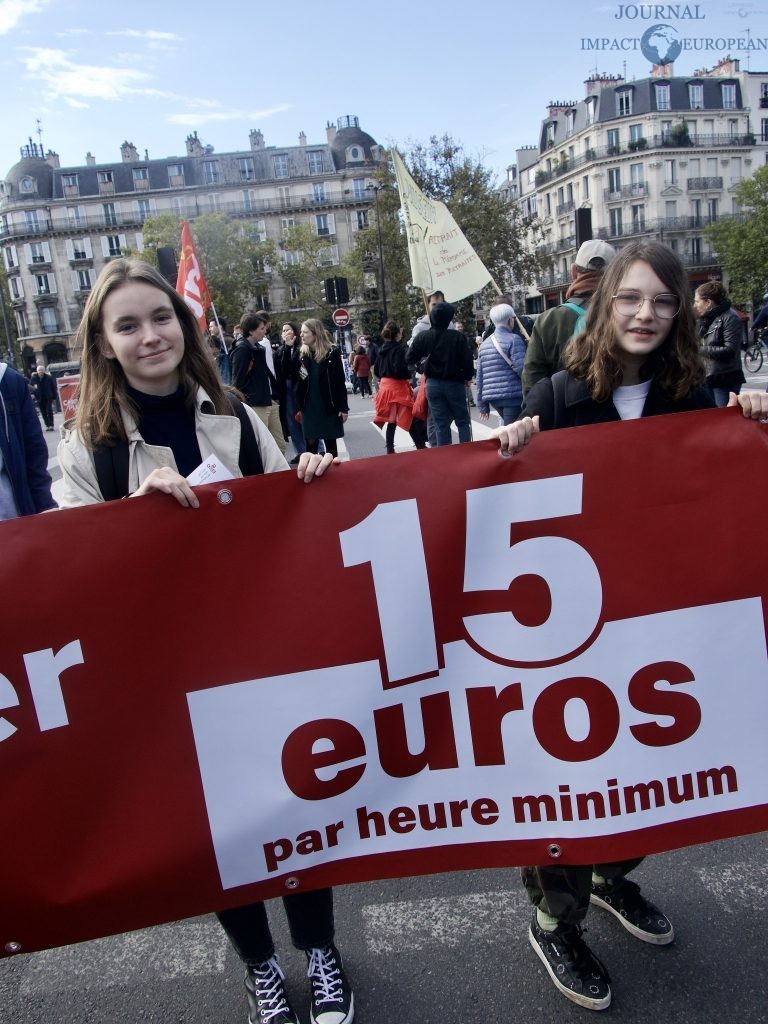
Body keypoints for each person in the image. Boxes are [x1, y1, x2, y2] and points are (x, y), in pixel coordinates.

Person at [56, 259, 353, 1024]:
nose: (149, 335)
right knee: (219, 834)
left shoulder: (235, 411)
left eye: (160, 317)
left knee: (295, 810)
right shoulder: (86, 449)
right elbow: (70, 576)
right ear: (104, 344)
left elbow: (290, 523)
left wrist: (313, 481)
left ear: (182, 326)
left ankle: (320, 951)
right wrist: (128, 515)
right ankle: (260, 965)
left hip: (260, 660)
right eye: (128, 324)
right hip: (166, 681)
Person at [493, 240, 768, 1012]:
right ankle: (555, 917)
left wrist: (745, 425)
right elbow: (494, 510)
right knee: (574, 784)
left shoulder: (698, 398)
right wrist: (509, 448)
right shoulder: (553, 394)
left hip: (660, 632)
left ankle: (614, 879)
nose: (646, 314)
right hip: (571, 639)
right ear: (605, 303)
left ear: (680, 313)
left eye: (663, 301)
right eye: (631, 298)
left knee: (651, 774)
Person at [522, 240, 617, 394]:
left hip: (564, 414)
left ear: (573, 272)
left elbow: (532, 382)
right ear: (615, 275)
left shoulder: (549, 320)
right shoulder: (626, 315)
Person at [407, 301, 475, 446]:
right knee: (462, 420)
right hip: (455, 383)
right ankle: (466, 449)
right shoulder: (457, 337)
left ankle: (445, 454)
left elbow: (409, 358)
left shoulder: (423, 337)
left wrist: (421, 368)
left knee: (440, 422)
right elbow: (467, 361)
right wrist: (467, 377)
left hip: (433, 383)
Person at [0, 361, 56, 520]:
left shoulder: (9, 381)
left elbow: (34, 452)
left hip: (12, 521)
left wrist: (45, 507)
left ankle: (51, 424)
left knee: (47, 414)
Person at [287, 319, 349, 458]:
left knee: (331, 445)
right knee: (310, 445)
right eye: (301, 332)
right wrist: (287, 348)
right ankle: (313, 475)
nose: (301, 335)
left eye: (305, 332)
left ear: (315, 334)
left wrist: (343, 408)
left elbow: (339, 382)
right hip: (308, 406)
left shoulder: (332, 352)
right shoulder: (301, 353)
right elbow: (288, 373)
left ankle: (333, 475)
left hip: (328, 404)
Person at [231, 312, 286, 456]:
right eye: (261, 328)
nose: (265, 331)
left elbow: (267, 373)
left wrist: (275, 393)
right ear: (251, 330)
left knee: (279, 444)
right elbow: (237, 380)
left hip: (269, 400)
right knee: (262, 447)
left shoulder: (259, 348)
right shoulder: (242, 350)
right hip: (255, 404)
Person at [372, 320, 428, 454]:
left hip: (385, 387)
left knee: (392, 420)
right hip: (397, 387)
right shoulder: (398, 349)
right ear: (397, 334)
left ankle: (390, 448)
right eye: (400, 332)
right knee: (410, 416)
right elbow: (399, 369)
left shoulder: (382, 349)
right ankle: (419, 445)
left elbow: (377, 370)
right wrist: (408, 374)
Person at [693, 280, 746, 407]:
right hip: (708, 378)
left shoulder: (730, 317)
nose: (695, 305)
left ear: (708, 302)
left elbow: (730, 350)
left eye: (697, 301)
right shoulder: (705, 320)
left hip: (725, 378)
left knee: (724, 419)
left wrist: (699, 349)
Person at [476, 303, 526, 426]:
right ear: (510, 320)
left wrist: (482, 405)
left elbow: (480, 376)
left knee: (507, 427)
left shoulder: (484, 345)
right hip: (512, 395)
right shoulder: (514, 339)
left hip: (493, 398)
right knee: (512, 431)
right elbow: (522, 370)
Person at [279, 322, 307, 466]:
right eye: (283, 331)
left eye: (288, 330)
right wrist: (286, 347)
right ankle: (300, 451)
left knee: (304, 417)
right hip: (287, 387)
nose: (286, 333)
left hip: (299, 385)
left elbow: (301, 369)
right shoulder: (282, 349)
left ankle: (316, 449)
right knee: (291, 420)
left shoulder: (302, 348)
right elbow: (284, 369)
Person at [30, 363, 58, 431]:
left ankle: (51, 425)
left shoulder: (48, 377)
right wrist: (33, 394)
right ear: (37, 371)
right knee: (43, 412)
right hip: (39, 397)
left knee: (49, 410)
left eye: (42, 370)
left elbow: (53, 387)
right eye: (39, 370)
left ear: (44, 371)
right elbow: (31, 387)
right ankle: (47, 425)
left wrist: (54, 397)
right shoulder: (34, 378)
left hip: (48, 397)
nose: (41, 371)